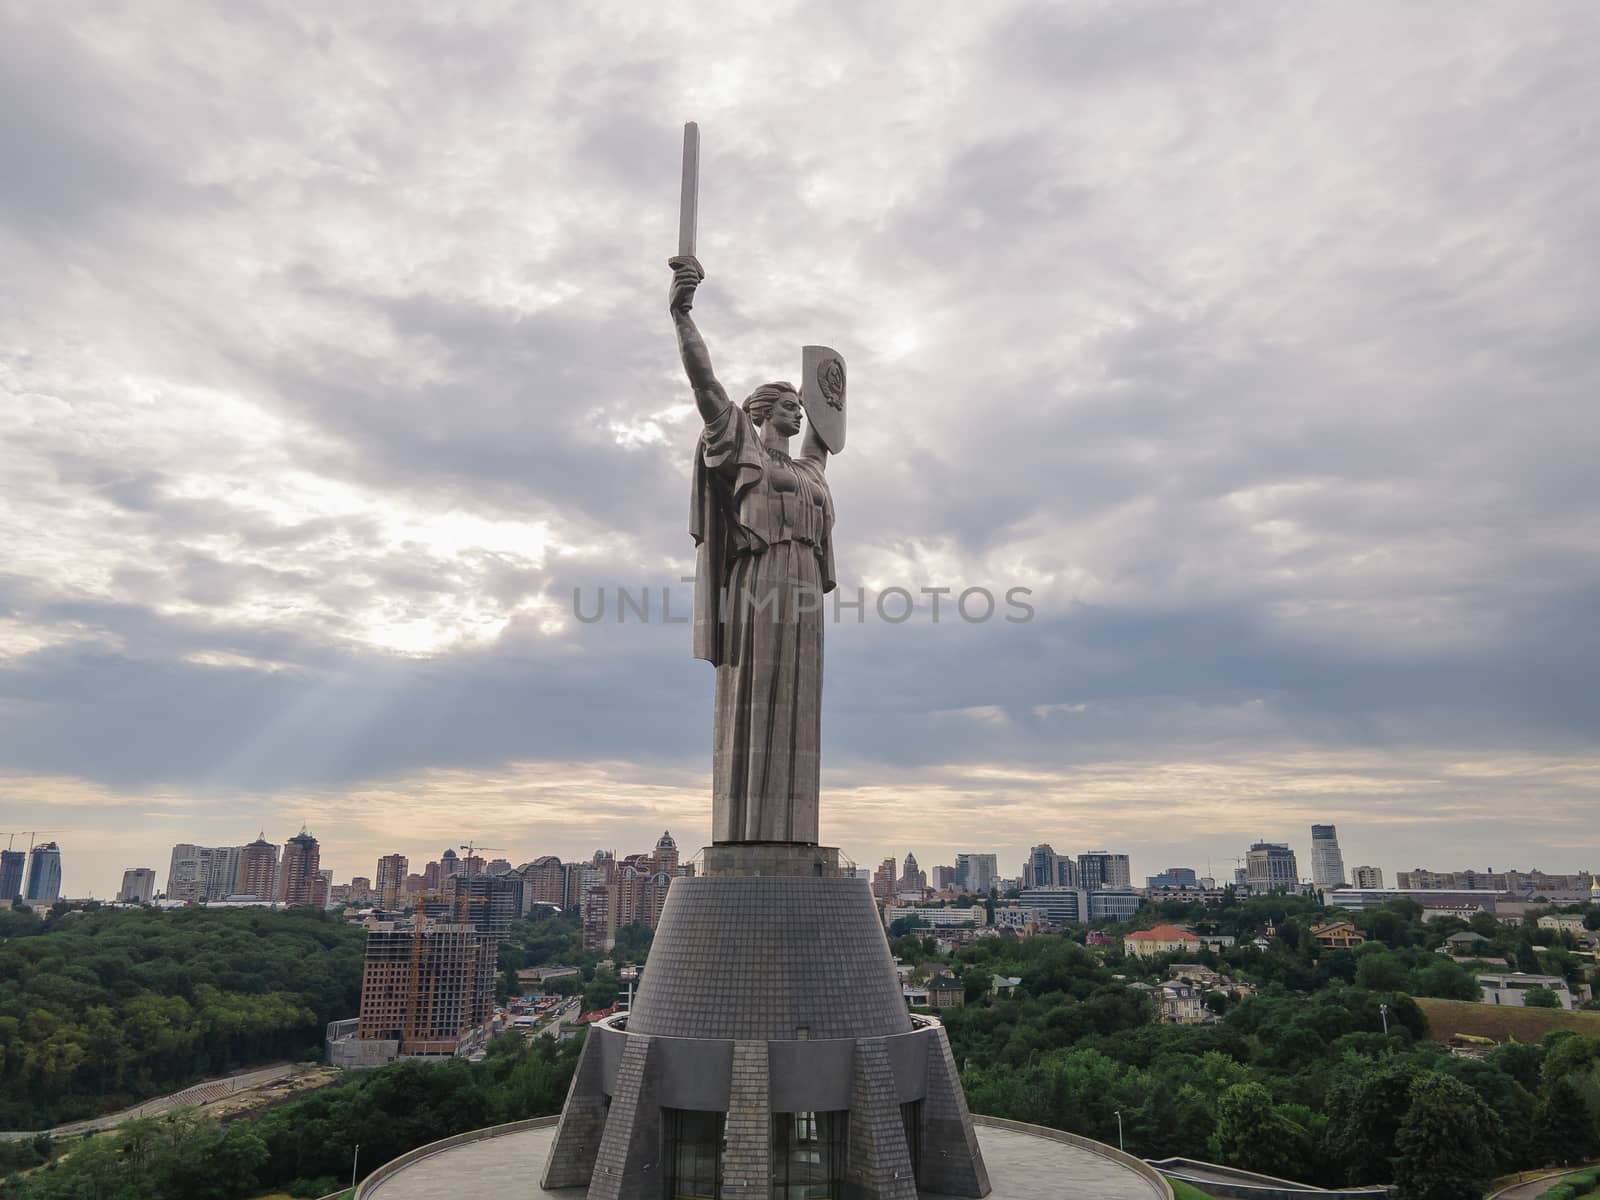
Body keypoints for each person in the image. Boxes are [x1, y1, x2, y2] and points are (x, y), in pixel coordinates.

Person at [670, 255, 835, 845]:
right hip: (760, 577)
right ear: (763, 412)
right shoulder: (743, 447)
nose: (799, 412)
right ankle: (747, 831)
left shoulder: (810, 469)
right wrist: (682, 313)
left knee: (799, 701)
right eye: (789, 405)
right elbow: (704, 384)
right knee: (758, 692)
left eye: (801, 406)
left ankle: (794, 831)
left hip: (806, 587)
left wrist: (826, 386)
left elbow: (830, 423)